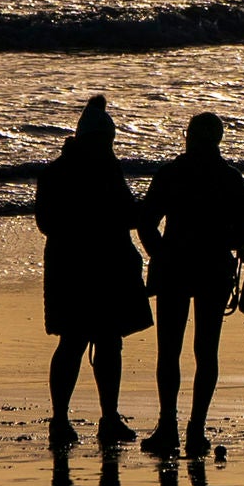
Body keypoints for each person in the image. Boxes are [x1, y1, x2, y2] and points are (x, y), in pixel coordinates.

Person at [31, 94, 151, 450]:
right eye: (102, 140)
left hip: (92, 268)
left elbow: (125, 213)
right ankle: (64, 419)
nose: (106, 146)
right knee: (77, 343)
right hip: (79, 270)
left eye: (108, 142)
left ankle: (104, 417)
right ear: (86, 138)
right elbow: (47, 222)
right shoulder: (66, 173)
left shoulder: (90, 169)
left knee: (103, 343)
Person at [134, 111, 244, 457]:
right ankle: (195, 430)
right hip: (213, 269)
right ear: (218, 140)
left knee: (169, 351)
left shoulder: (172, 173)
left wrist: (160, 253)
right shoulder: (230, 178)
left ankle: (169, 427)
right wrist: (224, 241)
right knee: (206, 351)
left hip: (175, 268)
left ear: (188, 137)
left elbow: (146, 221)